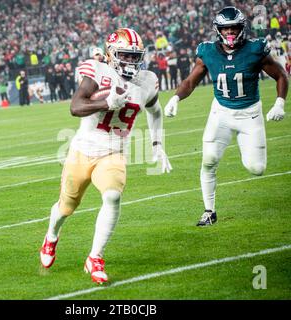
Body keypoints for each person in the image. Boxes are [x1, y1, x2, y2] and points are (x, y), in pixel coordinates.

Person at [40, 28, 171, 284]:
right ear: (111, 54)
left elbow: (156, 112)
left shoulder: (147, 81)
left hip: (113, 152)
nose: (131, 62)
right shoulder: (98, 71)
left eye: (135, 57)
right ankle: (51, 237)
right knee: (66, 207)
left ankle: (95, 257)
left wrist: (157, 143)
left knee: (112, 196)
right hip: (82, 151)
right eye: (125, 55)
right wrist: (106, 103)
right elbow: (75, 107)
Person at [164, 7, 288, 226]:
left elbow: (281, 75)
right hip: (220, 112)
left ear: (242, 28)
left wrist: (280, 102)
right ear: (218, 30)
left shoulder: (255, 49)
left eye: (234, 27)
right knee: (209, 160)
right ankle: (209, 211)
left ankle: (244, 144)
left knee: (256, 168)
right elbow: (190, 81)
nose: (230, 32)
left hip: (250, 114)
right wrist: (175, 98)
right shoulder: (208, 51)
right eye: (226, 28)